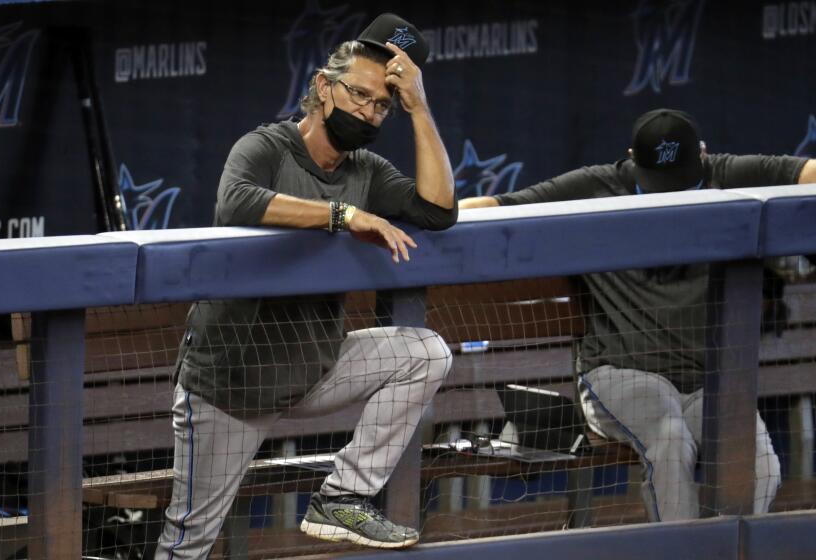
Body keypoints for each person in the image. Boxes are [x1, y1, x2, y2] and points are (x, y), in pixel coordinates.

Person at [156, 13, 456, 558]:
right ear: (323, 86)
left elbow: (438, 211)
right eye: (360, 95)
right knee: (189, 544)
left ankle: (342, 496)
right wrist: (344, 216)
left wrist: (419, 107)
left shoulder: (367, 168)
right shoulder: (267, 147)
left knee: (424, 351)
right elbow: (237, 200)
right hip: (232, 388)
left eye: (381, 105)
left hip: (312, 372)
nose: (368, 112)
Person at [460, 108, 816, 522]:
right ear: (632, 158)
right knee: (670, 442)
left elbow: (807, 173)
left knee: (761, 466)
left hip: (708, 383)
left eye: (682, 183)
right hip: (621, 374)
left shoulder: (728, 174)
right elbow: (495, 206)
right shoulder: (596, 186)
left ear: (702, 155)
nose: (672, 196)